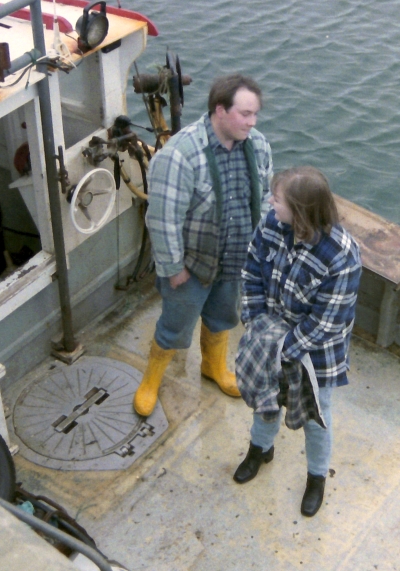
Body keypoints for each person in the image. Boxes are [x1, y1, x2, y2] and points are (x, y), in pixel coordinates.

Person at [134, 74, 273, 417]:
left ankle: (214, 367)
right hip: (191, 266)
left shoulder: (257, 145)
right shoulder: (180, 155)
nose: (252, 122)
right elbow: (163, 219)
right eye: (245, 114)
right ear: (220, 110)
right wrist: (173, 268)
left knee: (224, 317)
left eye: (255, 114)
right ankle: (150, 381)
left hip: (236, 261)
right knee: (175, 325)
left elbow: (266, 198)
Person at [233, 166, 362, 518]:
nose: (270, 203)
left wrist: (281, 351)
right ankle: (260, 449)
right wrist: (255, 323)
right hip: (270, 331)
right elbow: (251, 270)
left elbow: (326, 322)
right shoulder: (271, 224)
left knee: (317, 416)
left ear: (300, 211)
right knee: (266, 398)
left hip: (316, 351)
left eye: (277, 199)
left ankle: (317, 477)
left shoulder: (342, 257)